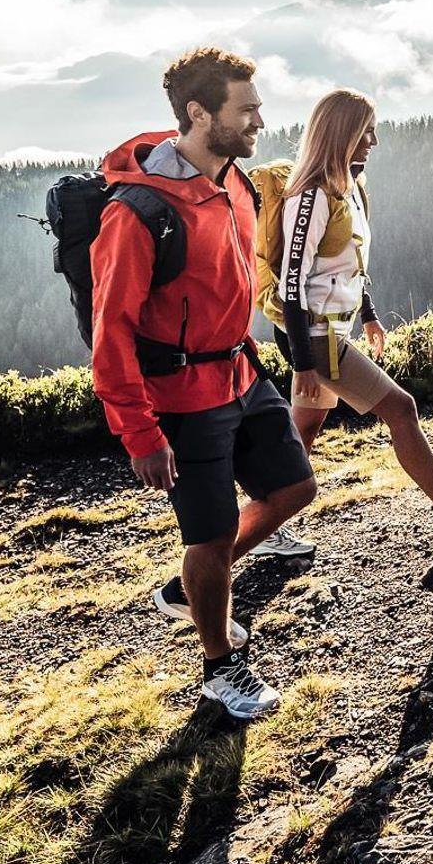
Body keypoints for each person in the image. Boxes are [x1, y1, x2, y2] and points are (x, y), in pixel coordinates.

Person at [91, 47, 315, 720]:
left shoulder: (234, 183)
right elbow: (111, 334)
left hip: (242, 373)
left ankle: (191, 588)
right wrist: (140, 434)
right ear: (198, 113)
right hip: (183, 401)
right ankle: (221, 668)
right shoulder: (137, 213)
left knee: (294, 488)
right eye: (245, 110)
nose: (259, 122)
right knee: (210, 538)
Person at [253, 87, 433, 544]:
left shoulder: (351, 187)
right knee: (400, 407)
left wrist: (369, 315)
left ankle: (264, 528)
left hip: (328, 330)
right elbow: (292, 282)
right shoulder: (310, 196)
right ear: (341, 133)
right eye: (366, 132)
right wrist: (304, 362)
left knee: (305, 429)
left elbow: (350, 265)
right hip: (313, 336)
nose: (374, 141)